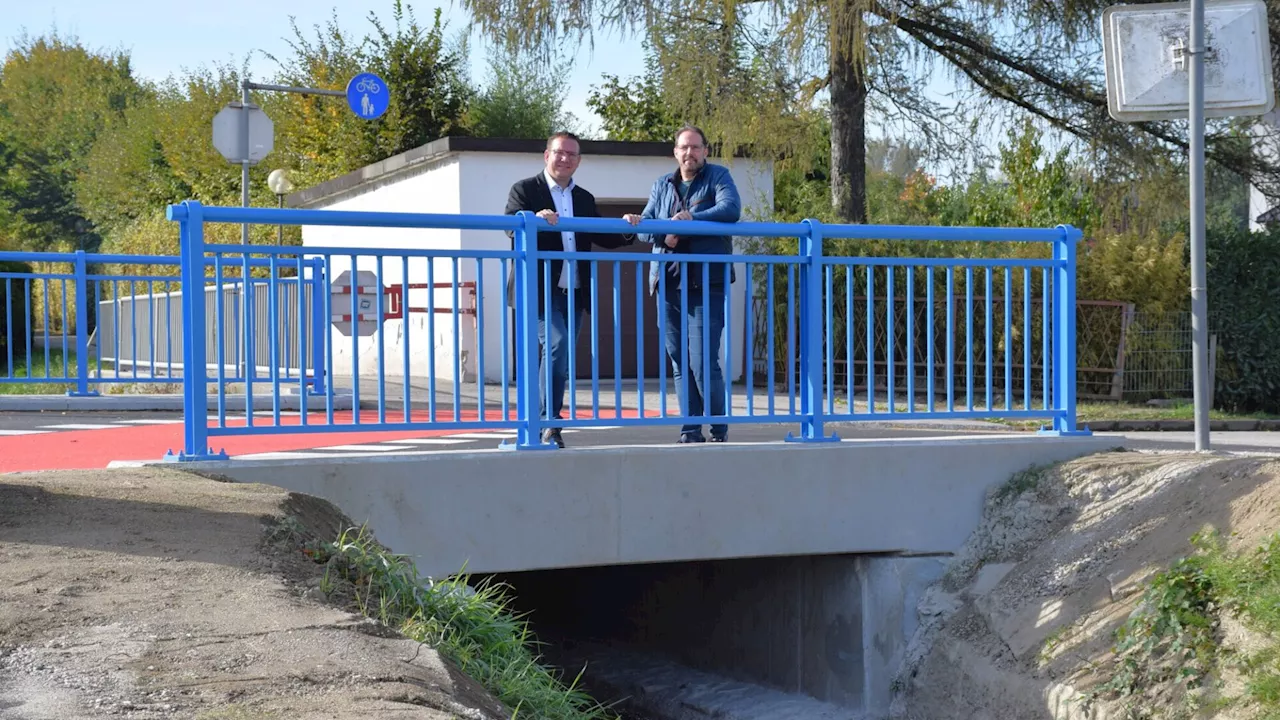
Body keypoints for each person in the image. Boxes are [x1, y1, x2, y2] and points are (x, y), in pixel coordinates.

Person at [505, 131, 631, 448]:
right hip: (537, 289)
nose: (565, 159)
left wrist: (628, 226)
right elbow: (509, 225)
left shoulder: (584, 198)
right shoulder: (525, 189)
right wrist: (531, 219)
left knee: (558, 356)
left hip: (572, 291)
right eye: (559, 153)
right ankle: (550, 423)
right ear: (547, 155)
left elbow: (601, 235)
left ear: (579, 161)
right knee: (557, 345)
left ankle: (537, 422)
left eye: (572, 155)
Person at [624, 126, 741, 443]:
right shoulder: (662, 185)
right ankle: (690, 430)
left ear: (705, 151)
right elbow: (646, 230)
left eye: (695, 147)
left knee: (704, 361)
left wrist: (690, 220)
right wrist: (663, 233)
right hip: (668, 282)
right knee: (679, 360)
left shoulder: (718, 177)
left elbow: (731, 210)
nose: (689, 153)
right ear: (675, 152)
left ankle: (718, 429)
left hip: (706, 282)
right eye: (683, 147)